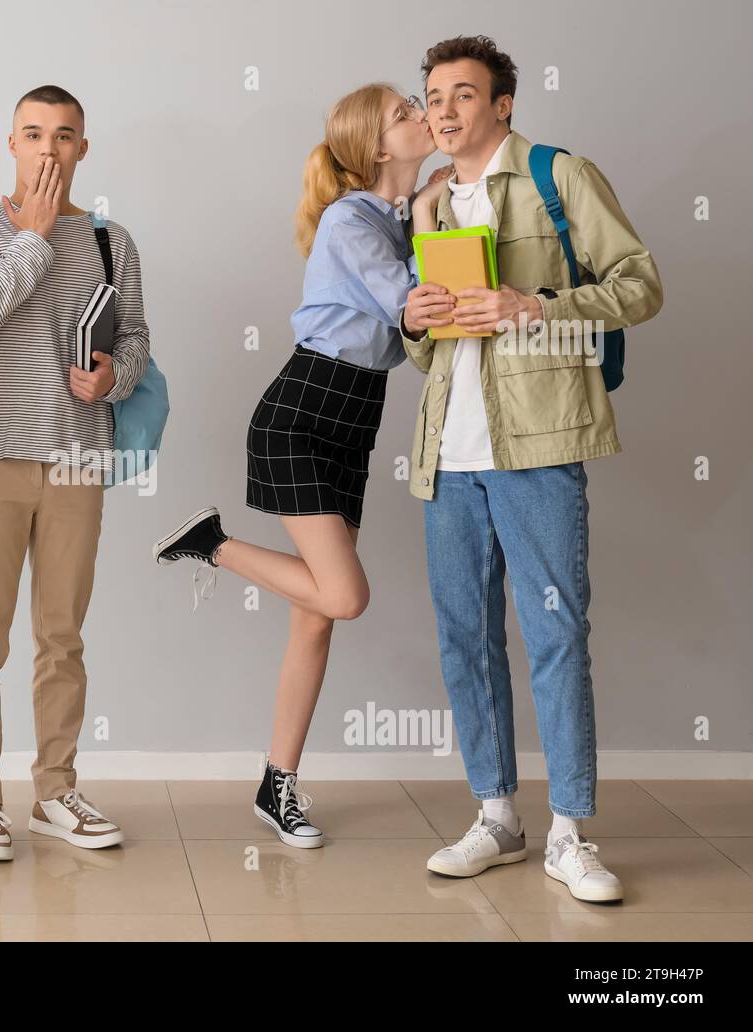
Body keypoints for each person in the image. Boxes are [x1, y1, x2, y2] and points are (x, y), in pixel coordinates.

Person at [400, 36, 663, 902]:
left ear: (502, 105)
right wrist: (414, 316)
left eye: (462, 94)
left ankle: (570, 834)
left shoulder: (558, 174)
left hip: (540, 446)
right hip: (448, 453)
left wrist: (535, 306)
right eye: (433, 95)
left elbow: (641, 283)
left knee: (556, 636)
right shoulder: (429, 202)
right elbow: (425, 350)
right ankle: (497, 817)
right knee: (466, 639)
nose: (442, 109)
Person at [153, 83, 447, 848]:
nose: (425, 115)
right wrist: (425, 216)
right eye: (407, 112)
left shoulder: (391, 216)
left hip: (354, 419)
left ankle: (276, 785)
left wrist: (426, 214)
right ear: (380, 149)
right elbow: (416, 309)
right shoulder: (352, 220)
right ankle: (211, 541)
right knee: (345, 596)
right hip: (301, 412)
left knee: (315, 617)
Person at [0, 84, 151, 860]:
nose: (48, 150)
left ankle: (55, 791)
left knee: (61, 636)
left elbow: (135, 340)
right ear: (12, 143)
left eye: (64, 136)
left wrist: (113, 379)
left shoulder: (110, 241)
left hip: (76, 459)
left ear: (82, 149)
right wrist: (30, 236)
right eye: (33, 133)